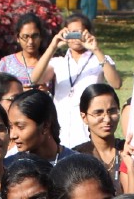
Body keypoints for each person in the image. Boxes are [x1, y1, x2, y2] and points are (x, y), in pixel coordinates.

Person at [30, 15, 122, 149]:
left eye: (79, 32)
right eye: (71, 32)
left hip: (87, 128)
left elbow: (116, 83)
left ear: (88, 33)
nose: (75, 37)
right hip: (62, 128)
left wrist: (95, 49)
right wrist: (53, 46)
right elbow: (35, 78)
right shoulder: (59, 62)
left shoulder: (100, 59)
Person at [6, 90, 79, 166]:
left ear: (45, 126)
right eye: (11, 127)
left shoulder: (78, 165)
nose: (12, 135)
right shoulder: (9, 166)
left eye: (20, 127)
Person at [74, 83, 123, 192]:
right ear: (84, 117)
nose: (107, 119)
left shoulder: (128, 151)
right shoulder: (77, 156)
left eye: (112, 111)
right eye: (98, 113)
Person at [0, 13, 47, 90]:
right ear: (18, 38)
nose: (30, 41)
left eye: (35, 36)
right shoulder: (7, 63)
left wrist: (47, 92)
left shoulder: (51, 64)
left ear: (41, 37)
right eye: (25, 37)